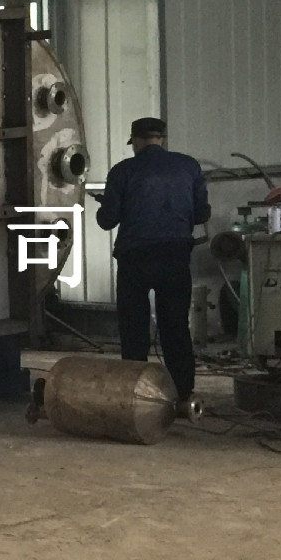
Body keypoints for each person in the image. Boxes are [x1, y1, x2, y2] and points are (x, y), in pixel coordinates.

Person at [94, 116, 210, 411]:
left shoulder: (123, 171)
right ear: (163, 139)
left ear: (135, 141)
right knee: (176, 326)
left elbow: (107, 221)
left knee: (133, 328)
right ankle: (183, 396)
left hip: (135, 258)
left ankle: (136, 395)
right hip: (175, 256)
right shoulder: (189, 166)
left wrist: (106, 204)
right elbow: (202, 214)